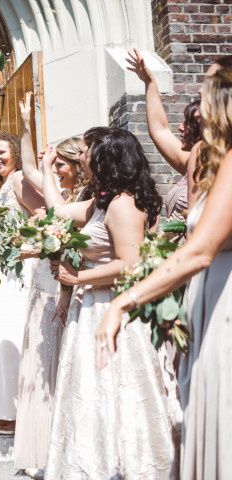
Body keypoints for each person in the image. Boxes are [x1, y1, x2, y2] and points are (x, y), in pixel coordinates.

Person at [98, 66, 232, 480]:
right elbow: (157, 130)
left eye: (207, 84)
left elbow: (200, 250)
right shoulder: (206, 160)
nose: (198, 95)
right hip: (205, 302)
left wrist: (124, 300)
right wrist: (150, 84)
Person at [43, 127, 177, 479]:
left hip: (111, 309)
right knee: (91, 394)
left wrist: (77, 279)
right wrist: (30, 235)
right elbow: (57, 211)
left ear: (105, 157)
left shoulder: (123, 205)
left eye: (87, 151)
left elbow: (130, 266)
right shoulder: (101, 203)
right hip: (90, 310)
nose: (83, 158)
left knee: (116, 394)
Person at [13, 92, 87, 478]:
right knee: (39, 362)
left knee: (61, 363)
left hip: (68, 286)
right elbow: (27, 167)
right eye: (53, 165)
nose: (54, 170)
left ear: (78, 165)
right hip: (43, 283)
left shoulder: (86, 200)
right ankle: (43, 448)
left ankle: (67, 447)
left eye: (61, 165)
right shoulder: (52, 193)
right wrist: (26, 126)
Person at [0, 130, 44, 434]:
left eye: (2, 152)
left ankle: (19, 414)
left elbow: (42, 214)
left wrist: (14, 240)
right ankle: (4, 410)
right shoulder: (2, 187)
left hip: (17, 271)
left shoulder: (18, 181)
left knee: (13, 336)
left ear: (15, 153)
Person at [125, 48, 203, 219]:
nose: (180, 128)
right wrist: (150, 82)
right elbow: (160, 130)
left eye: (187, 123)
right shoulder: (190, 161)